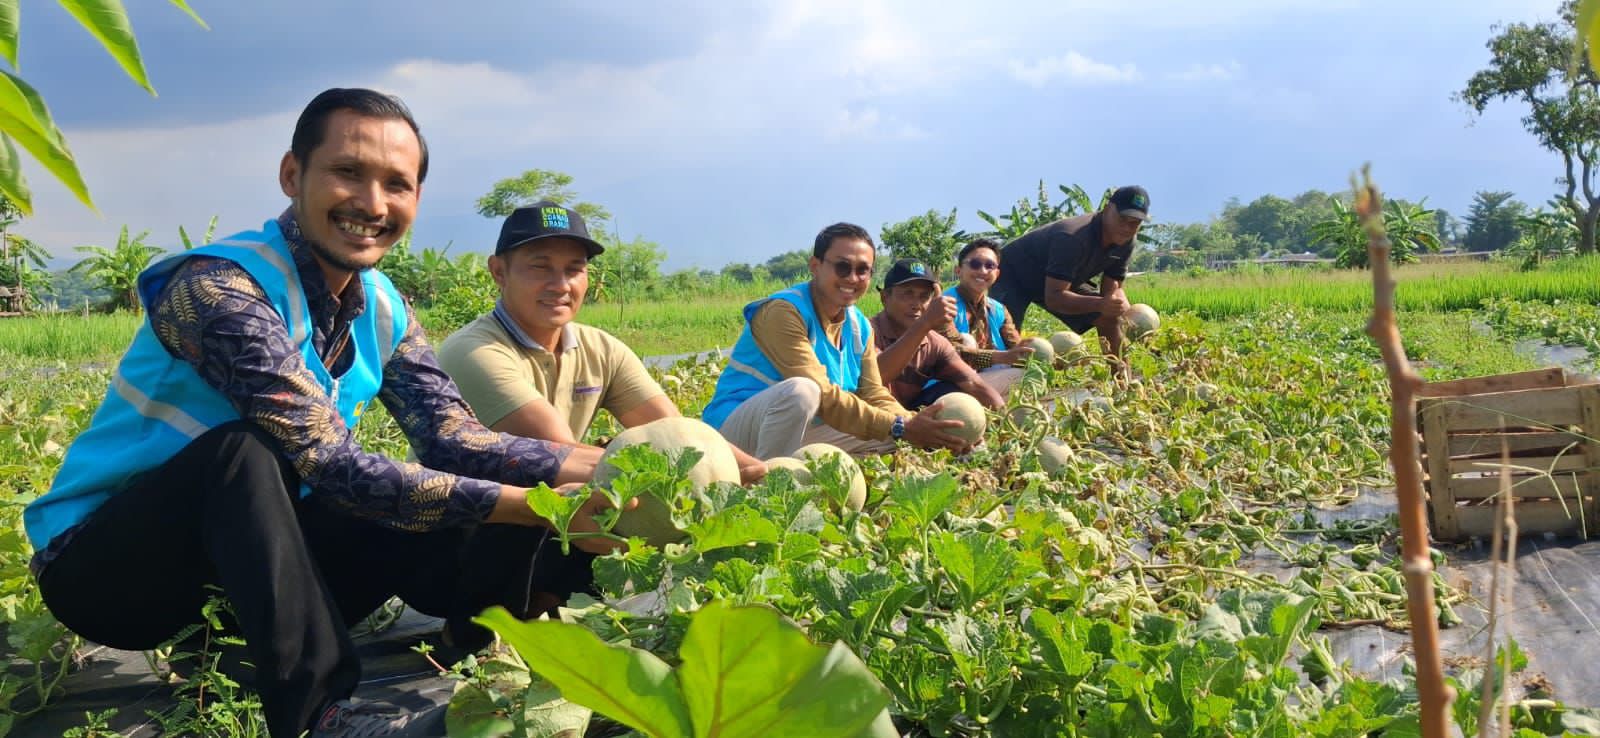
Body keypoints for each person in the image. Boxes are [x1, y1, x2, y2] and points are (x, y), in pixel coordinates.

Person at [23, 88, 626, 738]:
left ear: (415, 202)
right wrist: (537, 501)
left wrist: (621, 467)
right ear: (292, 176)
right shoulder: (216, 288)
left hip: (247, 571)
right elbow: (333, 465)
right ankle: (317, 715)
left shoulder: (384, 307)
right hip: (109, 576)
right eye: (348, 172)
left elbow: (455, 440)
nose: (372, 203)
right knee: (246, 453)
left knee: (503, 478)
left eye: (397, 184)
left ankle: (488, 653)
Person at [437, 200, 767, 483]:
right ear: (498, 272)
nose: (561, 285)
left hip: (553, 503)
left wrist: (758, 471)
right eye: (540, 267)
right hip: (468, 524)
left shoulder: (601, 349)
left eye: (574, 269)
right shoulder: (475, 352)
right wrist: (708, 474)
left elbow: (676, 432)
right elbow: (558, 451)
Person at [701, 223, 969, 459]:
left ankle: (799, 468)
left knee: (905, 439)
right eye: (842, 267)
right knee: (802, 391)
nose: (852, 278)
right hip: (735, 435)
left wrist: (917, 425)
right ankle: (767, 486)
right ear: (815, 266)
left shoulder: (859, 325)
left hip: (804, 430)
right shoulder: (782, 312)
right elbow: (824, 396)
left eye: (863, 270)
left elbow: (873, 393)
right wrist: (900, 427)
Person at [989, 185, 1150, 360]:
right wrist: (1100, 304)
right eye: (1123, 219)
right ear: (1107, 208)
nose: (1127, 227)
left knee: (1109, 318)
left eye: (1135, 223)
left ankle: (1121, 376)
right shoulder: (1072, 237)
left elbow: (1112, 288)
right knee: (1006, 347)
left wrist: (1118, 302)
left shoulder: (1126, 241)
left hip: (1057, 280)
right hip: (1012, 277)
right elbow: (1055, 298)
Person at [870, 259, 1003, 410]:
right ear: (885, 298)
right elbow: (875, 378)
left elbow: (974, 384)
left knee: (955, 394)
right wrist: (925, 323)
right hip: (864, 419)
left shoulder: (934, 342)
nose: (916, 304)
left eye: (924, 296)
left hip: (906, 418)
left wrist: (1006, 420)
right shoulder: (867, 331)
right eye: (908, 294)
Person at [940, 238, 1033, 397]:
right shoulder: (944, 305)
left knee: (1033, 365)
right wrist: (1003, 357)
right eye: (975, 264)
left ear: (997, 274)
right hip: (950, 383)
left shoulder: (998, 309)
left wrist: (1036, 353)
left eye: (990, 266)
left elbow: (1015, 348)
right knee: (966, 340)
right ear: (958, 271)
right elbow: (950, 355)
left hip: (985, 378)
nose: (983, 271)